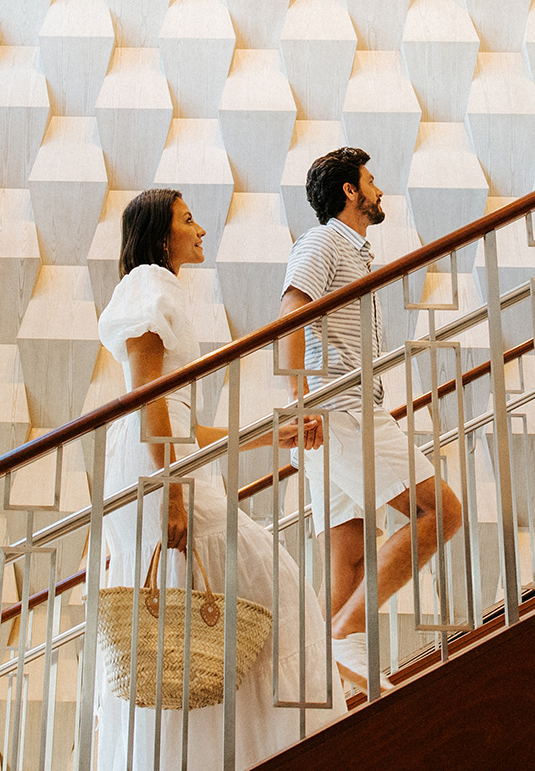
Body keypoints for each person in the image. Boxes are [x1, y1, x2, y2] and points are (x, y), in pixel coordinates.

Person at [94, 188, 346, 770]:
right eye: (188, 220)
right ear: (161, 235)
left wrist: (267, 435)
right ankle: (289, 743)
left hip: (163, 463)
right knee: (272, 587)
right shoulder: (151, 287)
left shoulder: (162, 290)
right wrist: (174, 495)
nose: (201, 229)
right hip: (159, 472)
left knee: (186, 633)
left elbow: (180, 420)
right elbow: (148, 397)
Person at [276, 148, 464, 690]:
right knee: (441, 513)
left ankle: (324, 685)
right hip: (341, 409)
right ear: (349, 192)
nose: (379, 191)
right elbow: (290, 315)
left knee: (350, 564)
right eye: (371, 182)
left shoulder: (354, 253)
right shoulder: (322, 243)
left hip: (341, 414)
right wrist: (300, 401)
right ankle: (349, 631)